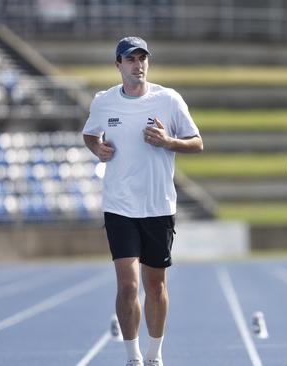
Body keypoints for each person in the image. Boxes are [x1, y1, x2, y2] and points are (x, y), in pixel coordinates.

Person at [82, 36, 203, 366]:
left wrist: (168, 141)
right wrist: (97, 148)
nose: (138, 64)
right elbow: (90, 133)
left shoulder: (169, 100)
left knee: (155, 286)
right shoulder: (104, 102)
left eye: (142, 58)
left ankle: (154, 354)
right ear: (118, 65)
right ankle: (133, 356)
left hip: (158, 205)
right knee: (127, 285)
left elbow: (197, 143)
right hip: (119, 205)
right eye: (130, 59)